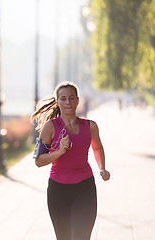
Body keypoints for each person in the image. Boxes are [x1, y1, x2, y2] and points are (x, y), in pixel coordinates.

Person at [30, 81, 110, 240]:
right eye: (64, 99)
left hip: (84, 188)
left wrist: (102, 167)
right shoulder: (50, 127)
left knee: (81, 237)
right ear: (57, 101)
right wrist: (59, 151)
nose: (68, 102)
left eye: (72, 98)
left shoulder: (90, 126)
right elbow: (38, 161)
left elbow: (97, 148)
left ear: (78, 100)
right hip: (58, 191)